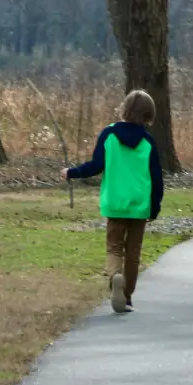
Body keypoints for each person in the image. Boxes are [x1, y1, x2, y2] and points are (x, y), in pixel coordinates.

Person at [61, 90, 164, 314]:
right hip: (139, 204)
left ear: (125, 109)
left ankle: (115, 276)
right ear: (149, 114)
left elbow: (96, 165)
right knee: (133, 251)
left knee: (114, 246)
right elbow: (157, 178)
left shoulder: (109, 134)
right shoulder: (148, 141)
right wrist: (155, 206)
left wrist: (72, 172)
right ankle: (126, 297)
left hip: (115, 202)